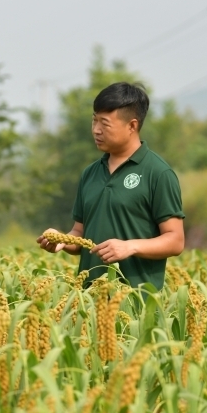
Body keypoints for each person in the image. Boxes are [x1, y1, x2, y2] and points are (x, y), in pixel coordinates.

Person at [37, 82, 184, 290]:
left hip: (137, 300)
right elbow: (80, 232)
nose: (96, 130)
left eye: (104, 123)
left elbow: (175, 240)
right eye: (94, 120)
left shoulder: (158, 173)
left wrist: (130, 247)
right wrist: (61, 240)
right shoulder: (90, 174)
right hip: (89, 299)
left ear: (132, 126)